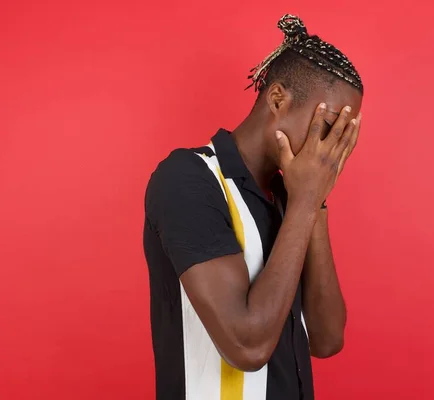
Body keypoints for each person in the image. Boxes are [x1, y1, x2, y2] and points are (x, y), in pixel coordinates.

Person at [143, 14, 363, 400]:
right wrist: (307, 199)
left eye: (345, 136)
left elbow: (327, 339)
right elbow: (247, 346)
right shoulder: (188, 179)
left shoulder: (291, 197)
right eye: (329, 126)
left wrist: (312, 202)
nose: (332, 150)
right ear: (278, 99)